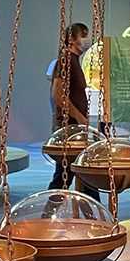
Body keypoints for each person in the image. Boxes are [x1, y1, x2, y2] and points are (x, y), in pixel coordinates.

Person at [49, 22, 92, 195]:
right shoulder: (66, 60)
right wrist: (79, 117)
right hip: (68, 128)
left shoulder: (74, 61)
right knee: (65, 175)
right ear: (72, 39)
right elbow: (58, 94)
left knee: (77, 174)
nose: (87, 39)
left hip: (75, 128)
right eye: (83, 35)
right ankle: (51, 207)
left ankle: (89, 206)